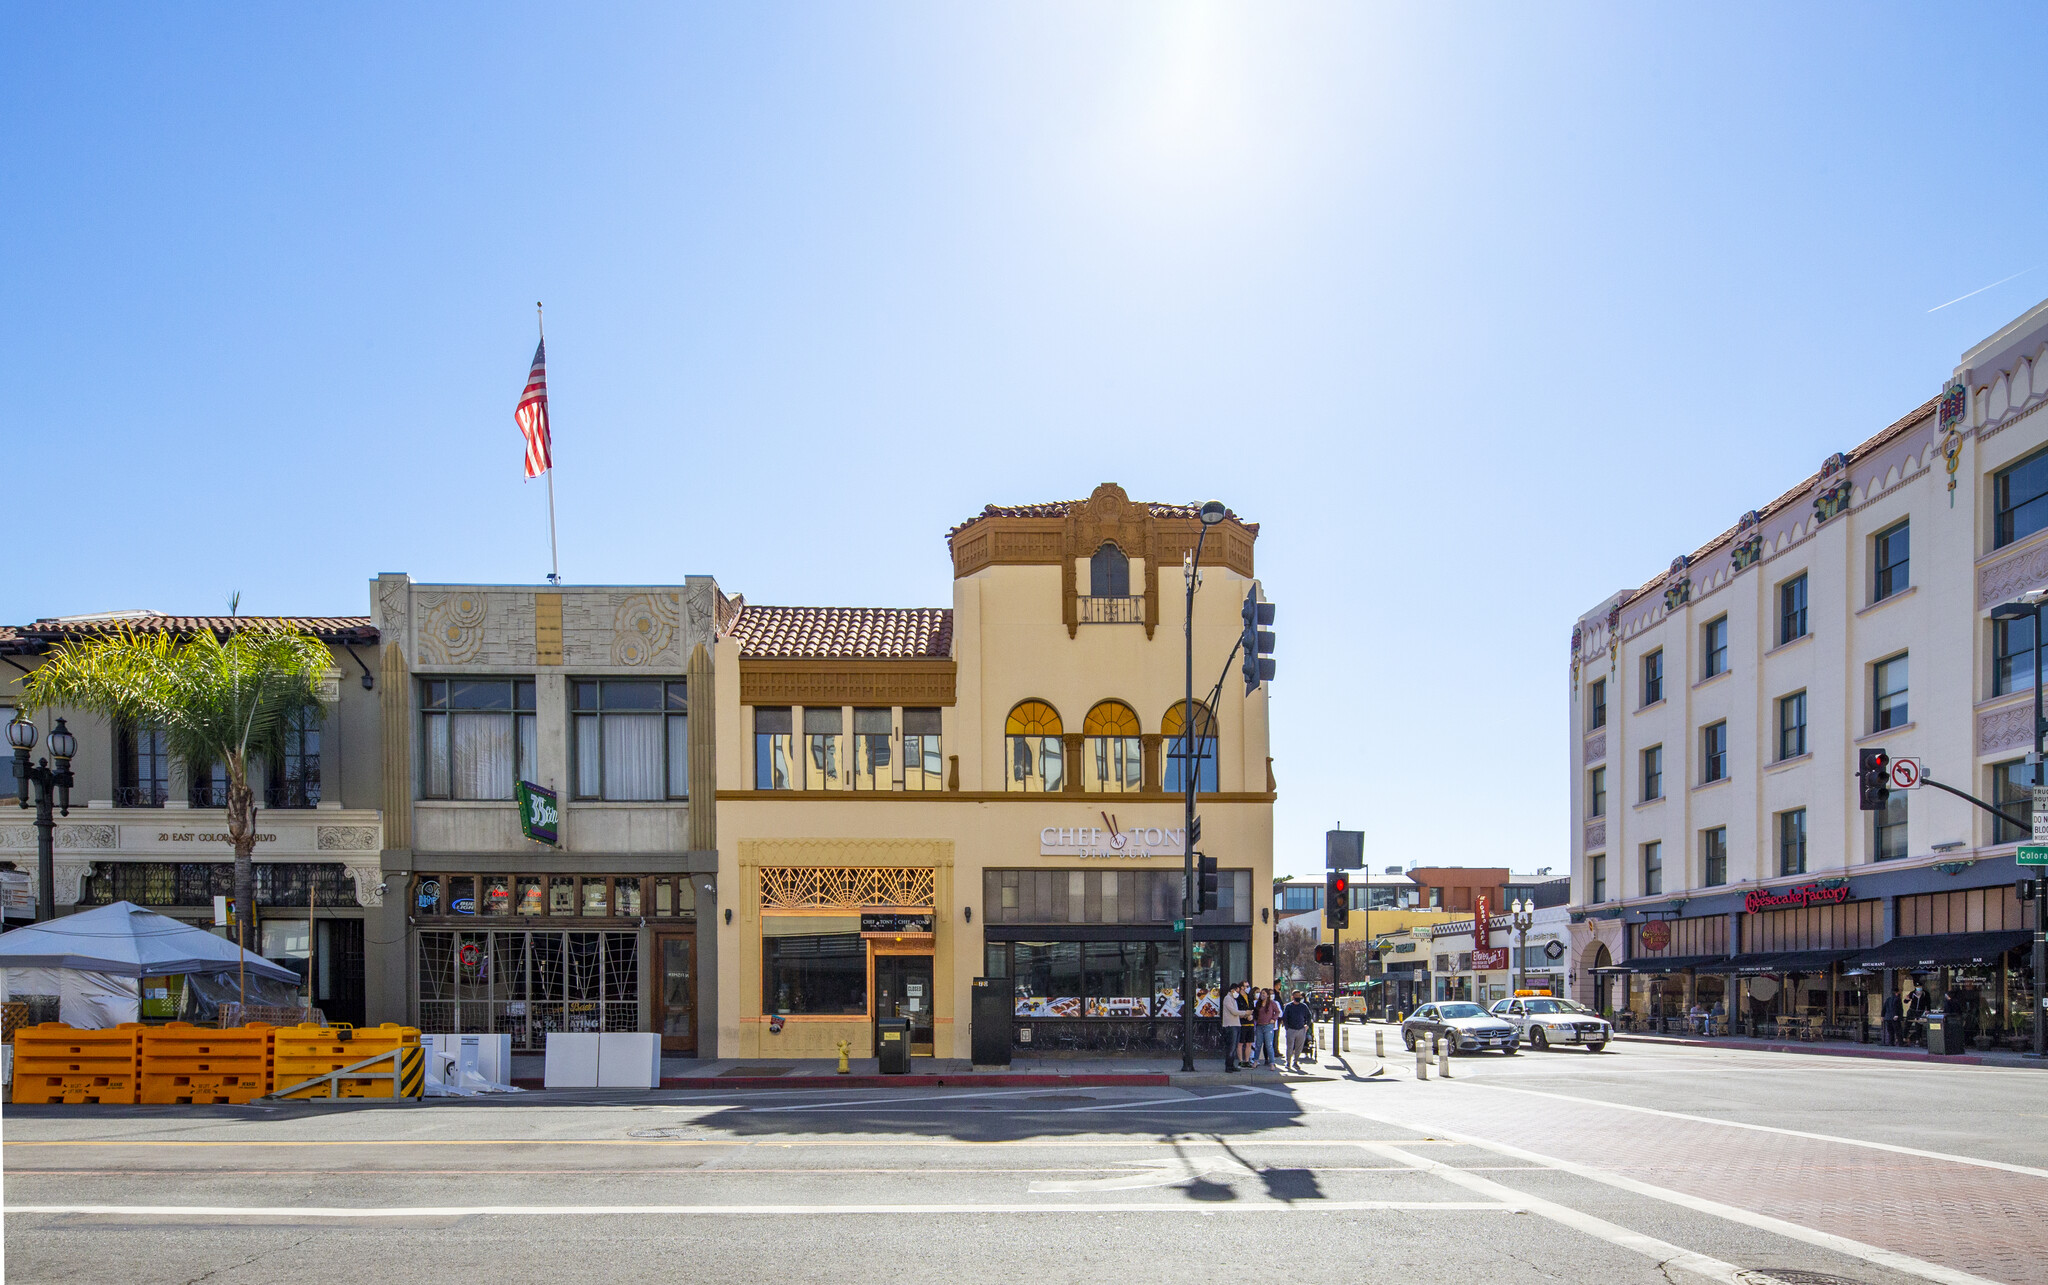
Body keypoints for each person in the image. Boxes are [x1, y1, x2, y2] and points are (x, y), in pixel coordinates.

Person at [1281, 991, 1313, 1071]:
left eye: (1299, 996)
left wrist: (1307, 1025)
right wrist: (1287, 1028)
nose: (1298, 997)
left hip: (1301, 1029)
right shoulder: (1289, 1006)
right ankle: (1288, 1062)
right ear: (1292, 997)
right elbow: (1285, 1017)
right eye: (1296, 996)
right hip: (1291, 1029)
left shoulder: (1303, 1006)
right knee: (1290, 1047)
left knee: (1299, 1047)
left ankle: (1295, 1062)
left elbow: (1309, 1016)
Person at [1219, 982, 1244, 1073]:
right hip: (1230, 1025)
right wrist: (1245, 1013)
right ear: (1232, 990)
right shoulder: (1227, 998)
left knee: (1234, 1046)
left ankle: (1231, 1064)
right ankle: (1228, 1066)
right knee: (1231, 1047)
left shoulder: (1233, 999)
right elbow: (1233, 1012)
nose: (1237, 993)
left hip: (1236, 1024)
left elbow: (1236, 1012)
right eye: (1237, 991)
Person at [1254, 988, 1281, 1067]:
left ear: (1268, 995)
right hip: (1259, 1025)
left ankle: (1272, 1062)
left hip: (1268, 1026)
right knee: (1258, 1044)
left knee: (1269, 1045)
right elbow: (1255, 1013)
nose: (1262, 995)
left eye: (1264, 993)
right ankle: (1256, 1061)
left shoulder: (1272, 1003)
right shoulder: (1258, 1004)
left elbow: (1278, 1012)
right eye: (1261, 993)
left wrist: (1274, 1019)